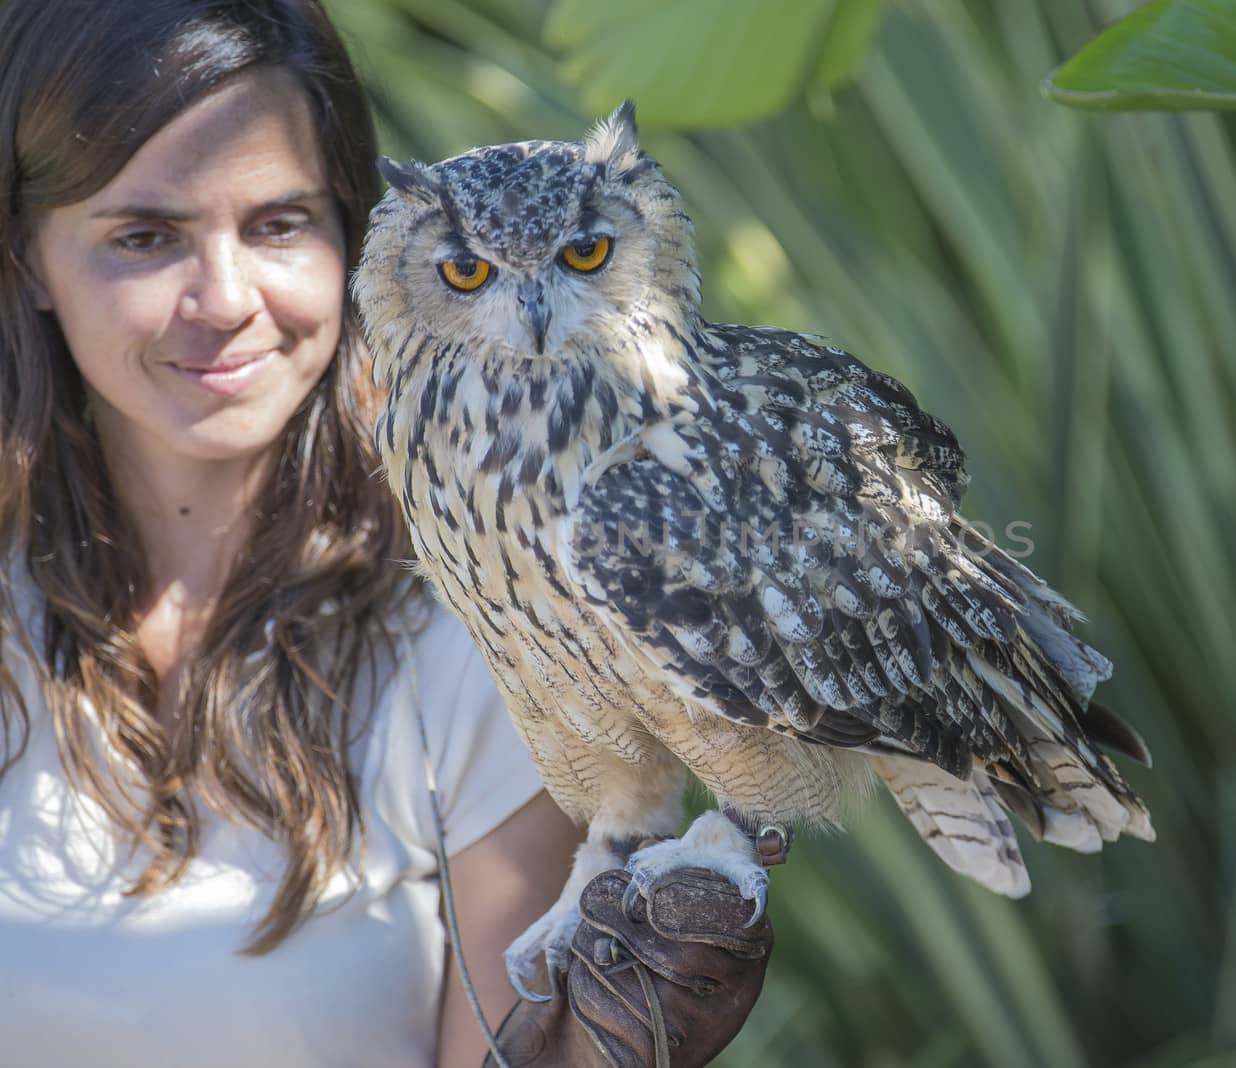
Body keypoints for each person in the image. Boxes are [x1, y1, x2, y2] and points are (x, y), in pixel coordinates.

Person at [0, 1, 771, 1065]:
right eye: (145, 236)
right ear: (29, 257)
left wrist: (600, 1050)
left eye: (278, 224)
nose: (225, 299)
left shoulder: (493, 627)